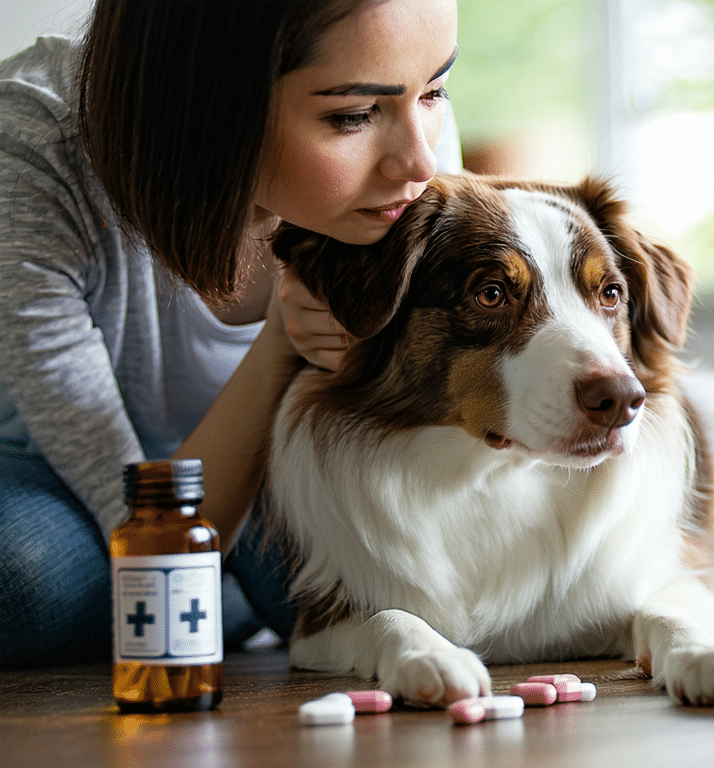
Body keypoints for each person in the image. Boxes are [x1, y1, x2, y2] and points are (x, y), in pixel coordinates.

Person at [0, 0, 461, 667]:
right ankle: (230, 596)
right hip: (59, 474)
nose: (421, 163)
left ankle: (226, 592)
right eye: (352, 116)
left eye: (436, 90)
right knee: (25, 581)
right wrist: (279, 345)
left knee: (383, 583)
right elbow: (155, 535)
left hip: (274, 450)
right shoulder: (31, 155)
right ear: (210, 102)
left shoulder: (401, 124)